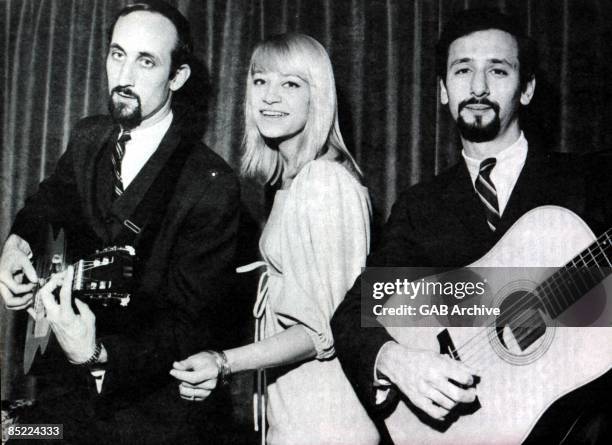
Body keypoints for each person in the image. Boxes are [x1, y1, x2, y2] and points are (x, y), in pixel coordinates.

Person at [331, 8, 612, 445]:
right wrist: (396, 359)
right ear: (443, 90)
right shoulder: (421, 207)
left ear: (528, 88)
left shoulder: (590, 182)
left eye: (497, 70)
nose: (478, 87)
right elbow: (354, 316)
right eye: (463, 71)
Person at [0, 1, 240, 443]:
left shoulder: (211, 184)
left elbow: (189, 325)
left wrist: (96, 353)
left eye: (146, 61)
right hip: (62, 397)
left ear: (178, 77)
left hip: (149, 418)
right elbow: (48, 201)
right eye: (117, 54)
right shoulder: (90, 136)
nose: (124, 77)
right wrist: (16, 244)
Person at [170, 33, 380, 445]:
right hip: (297, 418)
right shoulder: (291, 182)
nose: (269, 96)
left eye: (291, 84)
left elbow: (322, 329)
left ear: (316, 97)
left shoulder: (322, 181)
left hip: (327, 427)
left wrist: (223, 362)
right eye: (260, 80)